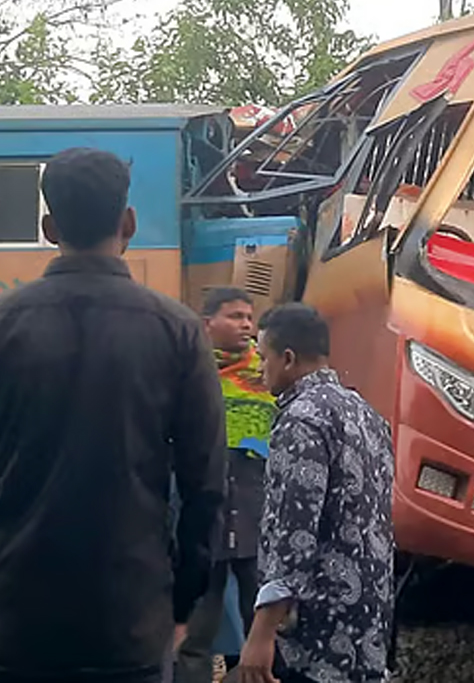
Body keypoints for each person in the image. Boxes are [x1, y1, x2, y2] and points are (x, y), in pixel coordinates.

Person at [0, 148, 227, 683]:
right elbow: (205, 485)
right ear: (129, 222)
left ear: (48, 227)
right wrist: (181, 597)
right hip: (128, 626)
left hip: (12, 628)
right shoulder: (179, 332)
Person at [235, 303, 393, 683]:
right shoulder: (366, 413)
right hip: (367, 624)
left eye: (263, 356)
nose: (260, 369)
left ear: (287, 359)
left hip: (316, 633)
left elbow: (294, 534)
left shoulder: (301, 420)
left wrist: (261, 634)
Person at [173, 287, 277, 683]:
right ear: (207, 324)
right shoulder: (188, 374)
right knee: (195, 631)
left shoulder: (268, 372)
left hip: (256, 512)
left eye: (249, 317)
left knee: (263, 626)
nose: (246, 325)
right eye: (235, 316)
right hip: (205, 516)